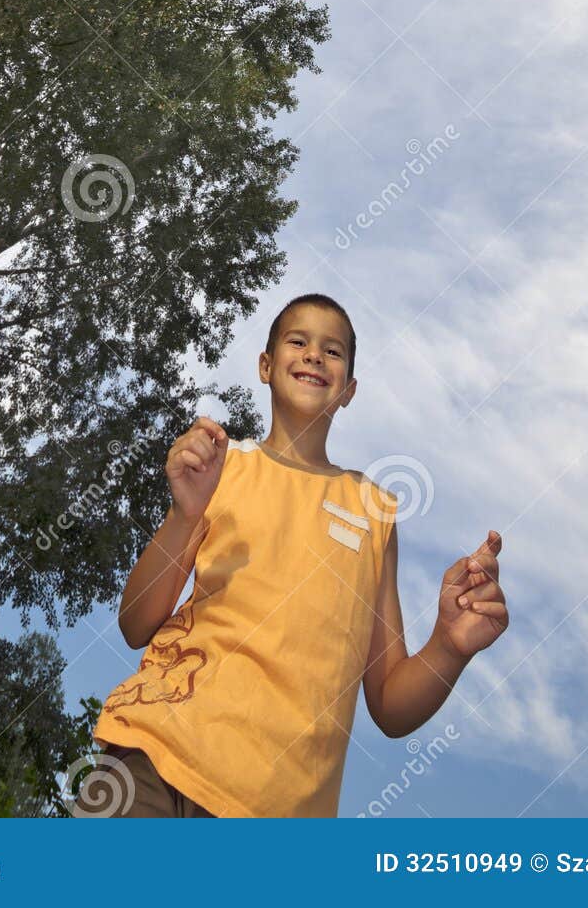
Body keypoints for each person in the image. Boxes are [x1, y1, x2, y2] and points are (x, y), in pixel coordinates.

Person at [70, 293, 508, 818]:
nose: (314, 355)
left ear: (348, 390)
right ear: (265, 364)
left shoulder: (373, 511)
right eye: (297, 341)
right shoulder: (222, 467)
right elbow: (136, 622)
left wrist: (448, 647)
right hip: (155, 754)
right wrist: (185, 515)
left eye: (333, 350)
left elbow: (390, 706)